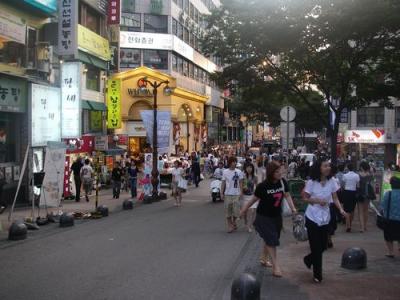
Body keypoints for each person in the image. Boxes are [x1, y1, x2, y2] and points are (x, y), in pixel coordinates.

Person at [241, 161, 297, 277]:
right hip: (264, 217)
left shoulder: (282, 182)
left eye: (280, 170)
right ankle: (276, 266)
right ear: (271, 173)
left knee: (272, 238)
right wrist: (244, 209)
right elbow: (253, 199)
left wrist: (293, 208)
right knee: (272, 240)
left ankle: (263, 257)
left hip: (277, 216)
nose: (279, 173)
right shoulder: (263, 186)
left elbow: (287, 195)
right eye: (276, 171)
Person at [302, 159, 347, 283]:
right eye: (325, 166)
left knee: (323, 246)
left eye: (329, 166)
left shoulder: (332, 181)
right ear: (319, 168)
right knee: (316, 247)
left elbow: (335, 197)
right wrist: (317, 201)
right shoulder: (311, 182)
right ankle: (318, 275)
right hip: (312, 217)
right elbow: (305, 198)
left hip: (325, 218)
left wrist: (341, 210)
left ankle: (309, 259)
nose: (328, 168)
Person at [221, 156, 244, 233]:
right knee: (228, 211)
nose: (234, 163)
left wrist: (241, 192)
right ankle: (230, 225)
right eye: (233, 162)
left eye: (235, 162)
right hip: (227, 194)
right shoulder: (225, 172)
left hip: (236, 193)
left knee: (236, 211)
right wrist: (221, 193)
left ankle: (233, 222)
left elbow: (241, 182)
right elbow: (223, 183)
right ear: (229, 163)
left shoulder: (239, 172)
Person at [380, 176, 400, 258]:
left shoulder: (388, 194)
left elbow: (383, 206)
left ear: (391, 185)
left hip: (390, 219)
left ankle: (391, 252)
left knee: (388, 236)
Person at [342, 163, 360, 232]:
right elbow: (358, 186)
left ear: (348, 168)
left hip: (346, 192)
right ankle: (350, 224)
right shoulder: (356, 176)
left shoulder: (345, 175)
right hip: (353, 192)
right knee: (352, 209)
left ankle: (348, 226)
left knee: (346, 210)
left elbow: (343, 185)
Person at [358, 161, 375, 232]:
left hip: (360, 193)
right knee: (366, 210)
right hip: (368, 194)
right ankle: (365, 226)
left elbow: (357, 185)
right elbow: (373, 180)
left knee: (361, 211)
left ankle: (362, 228)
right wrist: (370, 170)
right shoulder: (370, 175)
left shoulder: (358, 175)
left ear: (361, 167)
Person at [242, 163, 258, 233]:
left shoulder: (255, 177)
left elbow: (257, 187)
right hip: (244, 196)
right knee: (245, 212)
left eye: (250, 167)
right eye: (247, 167)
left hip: (252, 196)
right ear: (245, 169)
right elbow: (241, 185)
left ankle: (249, 226)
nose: (249, 169)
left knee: (252, 211)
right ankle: (245, 221)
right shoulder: (243, 176)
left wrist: (258, 195)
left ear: (252, 168)